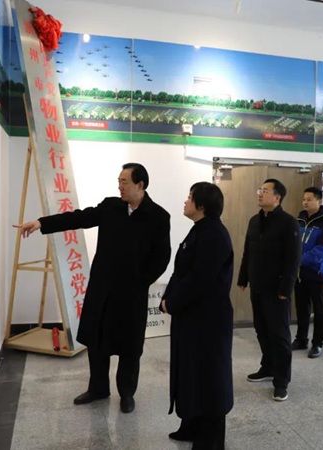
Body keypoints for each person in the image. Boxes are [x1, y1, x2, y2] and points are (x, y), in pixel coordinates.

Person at [15, 163, 171, 414]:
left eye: (124, 182)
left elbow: (162, 257)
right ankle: (98, 388)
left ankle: (127, 393)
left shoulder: (158, 217)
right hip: (103, 289)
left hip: (131, 295)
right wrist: (41, 223)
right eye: (118, 181)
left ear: (140, 185)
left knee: (130, 347)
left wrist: (140, 282)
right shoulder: (111, 207)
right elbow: (79, 217)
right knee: (97, 341)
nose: (119, 186)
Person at [160, 182, 234, 450]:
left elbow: (200, 280)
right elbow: (181, 272)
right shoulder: (200, 230)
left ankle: (210, 440)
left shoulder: (214, 235)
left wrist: (172, 302)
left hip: (208, 321)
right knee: (191, 373)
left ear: (202, 205)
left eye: (190, 197)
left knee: (209, 378)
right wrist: (167, 299)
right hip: (192, 317)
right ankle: (191, 424)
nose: (185, 201)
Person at [237, 179, 300, 402]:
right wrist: (243, 277)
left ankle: (281, 381)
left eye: (265, 191)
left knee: (279, 334)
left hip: (277, 289)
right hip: (257, 285)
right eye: (260, 190)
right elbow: (248, 251)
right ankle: (268, 367)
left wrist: (286, 288)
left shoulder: (288, 223)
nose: (260, 194)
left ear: (277, 197)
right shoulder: (255, 221)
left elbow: (293, 259)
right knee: (261, 329)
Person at [292, 186, 323, 359]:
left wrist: (298, 259)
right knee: (302, 308)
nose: (305, 202)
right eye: (304, 199)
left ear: (319, 201)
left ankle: (317, 343)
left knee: (319, 310)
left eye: (309, 199)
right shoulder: (300, 219)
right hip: (300, 272)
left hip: (318, 272)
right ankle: (301, 339)